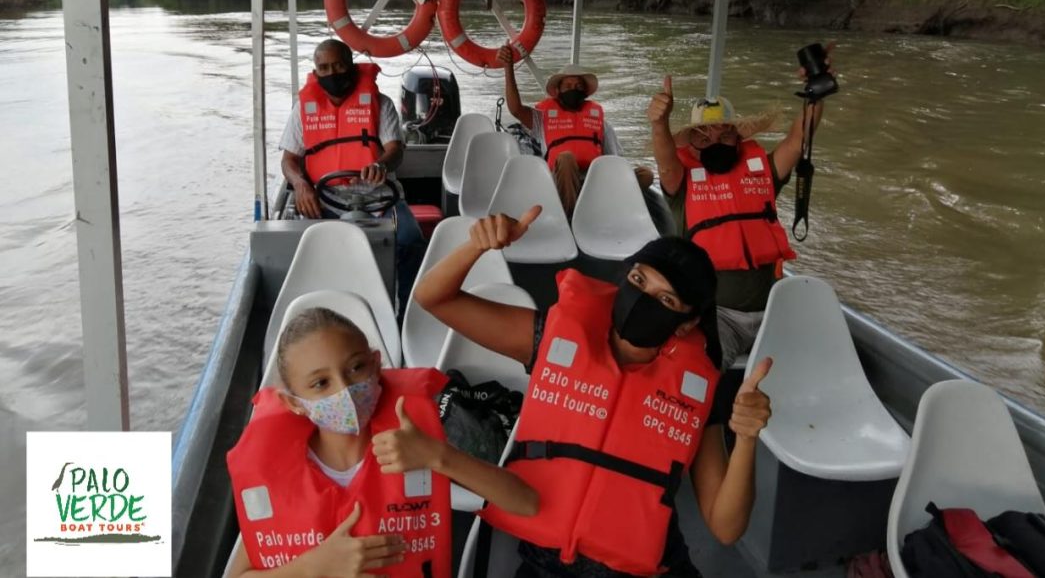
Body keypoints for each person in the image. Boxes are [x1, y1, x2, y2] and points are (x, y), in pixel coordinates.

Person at [413, 208, 773, 578]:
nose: (643, 298)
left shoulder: (697, 392)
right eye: (638, 279)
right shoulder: (549, 339)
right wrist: (476, 247)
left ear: (688, 324)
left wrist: (746, 439)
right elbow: (433, 297)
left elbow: (725, 527)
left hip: (650, 570)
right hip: (548, 565)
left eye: (666, 300)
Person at [226, 307, 538, 578]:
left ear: (376, 365)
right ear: (293, 402)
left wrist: (438, 456)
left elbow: (527, 503)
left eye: (356, 367)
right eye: (321, 383)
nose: (345, 389)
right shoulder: (278, 473)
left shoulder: (415, 440)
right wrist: (313, 566)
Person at [647, 48, 834, 370]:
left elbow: (799, 138)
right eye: (703, 137)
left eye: (725, 133)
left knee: (816, 371)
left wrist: (816, 91)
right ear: (691, 144)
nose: (715, 141)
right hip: (717, 316)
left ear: (737, 137)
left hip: (774, 312)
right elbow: (664, 157)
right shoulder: (681, 182)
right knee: (700, 373)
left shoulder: (764, 172)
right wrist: (660, 122)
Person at [279, 38, 424, 310]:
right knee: (303, 249)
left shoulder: (380, 104)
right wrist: (300, 184)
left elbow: (395, 150)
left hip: (378, 197)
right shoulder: (302, 110)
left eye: (338, 65)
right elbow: (288, 159)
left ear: (352, 67)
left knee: (410, 240)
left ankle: (406, 313)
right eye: (324, 68)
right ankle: (320, 311)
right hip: (325, 199)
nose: (332, 73)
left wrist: (381, 164)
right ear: (316, 71)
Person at [496, 45, 654, 216]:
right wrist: (508, 67)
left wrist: (616, 178)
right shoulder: (542, 118)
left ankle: (609, 208)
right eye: (568, 85)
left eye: (578, 86)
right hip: (558, 185)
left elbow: (615, 160)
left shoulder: (600, 123)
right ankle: (570, 217)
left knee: (646, 174)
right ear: (557, 91)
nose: (574, 89)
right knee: (565, 157)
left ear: (585, 93)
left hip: (594, 184)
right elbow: (515, 109)